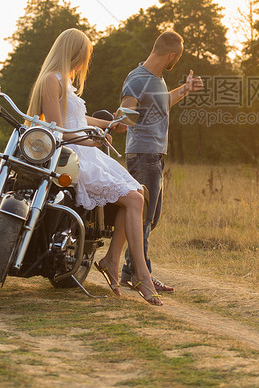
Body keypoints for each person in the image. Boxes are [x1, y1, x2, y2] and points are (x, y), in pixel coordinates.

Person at [26, 28, 161, 305]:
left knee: (137, 195)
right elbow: (58, 130)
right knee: (135, 199)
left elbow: (77, 117)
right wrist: (89, 141)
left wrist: (108, 123)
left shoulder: (63, 81)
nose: (84, 62)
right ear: (74, 53)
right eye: (85, 56)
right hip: (73, 156)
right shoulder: (51, 80)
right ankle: (140, 275)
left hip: (85, 150)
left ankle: (113, 261)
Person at [119, 30, 204, 292]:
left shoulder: (157, 78)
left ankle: (129, 271)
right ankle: (139, 274)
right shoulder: (138, 78)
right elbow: (126, 113)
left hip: (154, 155)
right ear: (172, 55)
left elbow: (162, 103)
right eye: (177, 57)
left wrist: (185, 90)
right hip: (142, 155)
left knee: (150, 218)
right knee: (143, 219)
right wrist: (125, 117)